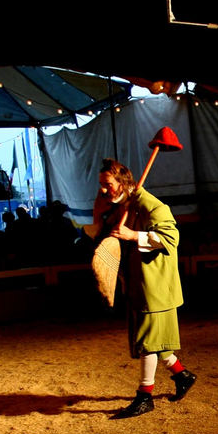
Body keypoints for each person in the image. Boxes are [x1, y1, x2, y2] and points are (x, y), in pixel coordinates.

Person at [92, 158, 196, 418]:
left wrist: (133, 236)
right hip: (141, 286)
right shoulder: (125, 207)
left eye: (107, 185)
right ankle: (182, 375)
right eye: (101, 185)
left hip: (157, 288)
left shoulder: (152, 205)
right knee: (155, 340)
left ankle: (145, 396)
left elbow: (172, 238)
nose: (104, 190)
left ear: (123, 182)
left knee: (148, 342)